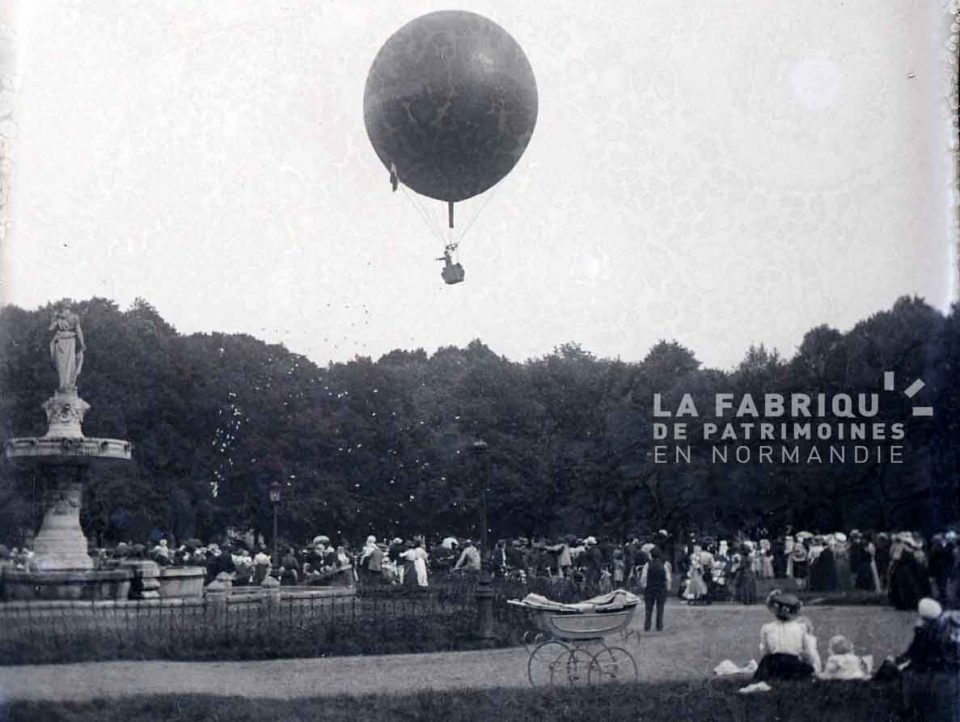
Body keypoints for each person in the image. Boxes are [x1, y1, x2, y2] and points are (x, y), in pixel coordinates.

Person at [895, 598, 960, 720]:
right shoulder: (950, 625)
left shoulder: (925, 630)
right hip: (949, 675)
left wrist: (897, 662)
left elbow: (913, 654)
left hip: (931, 677)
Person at [754, 590, 821, 681]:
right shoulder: (801, 628)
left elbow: (766, 651)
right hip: (793, 663)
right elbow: (809, 652)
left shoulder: (767, 628)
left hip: (774, 663)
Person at [49, 307, 85, 392]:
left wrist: (54, 318)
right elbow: (78, 331)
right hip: (64, 341)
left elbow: (51, 329)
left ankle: (67, 385)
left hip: (66, 341)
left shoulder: (72, 317)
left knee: (68, 364)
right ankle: (64, 385)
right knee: (64, 365)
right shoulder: (72, 317)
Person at [640, 546, 671, 632]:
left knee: (648, 609)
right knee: (660, 609)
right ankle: (659, 626)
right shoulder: (664, 565)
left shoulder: (647, 565)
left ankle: (647, 626)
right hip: (661, 589)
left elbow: (644, 577)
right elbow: (667, 578)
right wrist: (668, 588)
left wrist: (644, 586)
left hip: (650, 589)